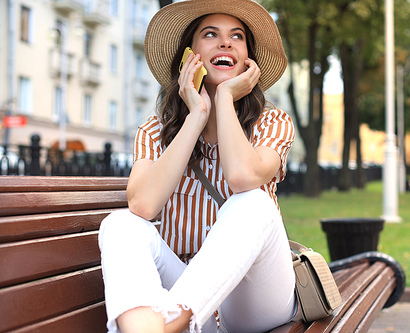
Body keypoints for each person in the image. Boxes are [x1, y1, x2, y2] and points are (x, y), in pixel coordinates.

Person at [98, 1, 296, 332]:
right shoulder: (154, 131)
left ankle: (171, 322)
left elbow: (242, 177)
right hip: (184, 288)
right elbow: (142, 205)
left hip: (251, 300)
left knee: (254, 202)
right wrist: (197, 116)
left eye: (237, 36)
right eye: (210, 34)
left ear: (249, 59)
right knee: (121, 224)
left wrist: (224, 99)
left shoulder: (271, 122)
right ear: (190, 57)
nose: (226, 42)